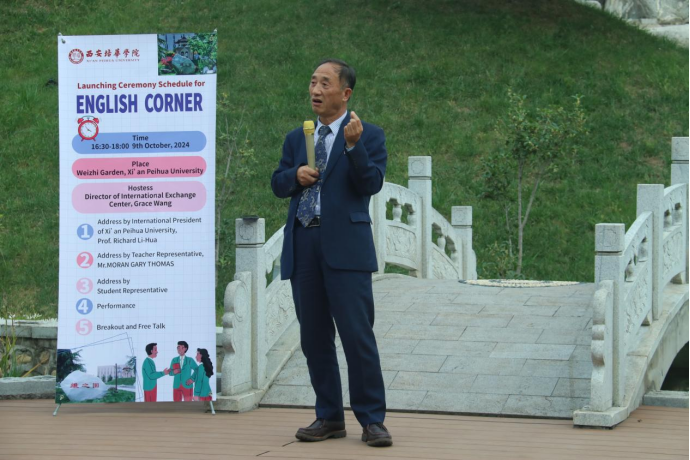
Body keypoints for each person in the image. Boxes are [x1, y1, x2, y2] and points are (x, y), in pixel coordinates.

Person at [271, 59, 392, 448]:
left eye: (325, 83)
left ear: (346, 93)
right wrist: (294, 176)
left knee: (357, 336)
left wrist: (354, 148)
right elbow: (277, 183)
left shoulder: (368, 135)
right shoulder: (298, 137)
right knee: (314, 337)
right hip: (304, 244)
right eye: (312, 82)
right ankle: (329, 416)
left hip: (346, 249)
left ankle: (372, 420)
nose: (315, 90)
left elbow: (370, 183)